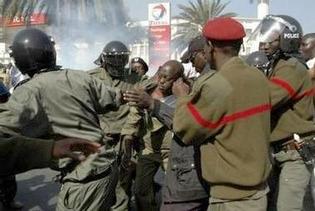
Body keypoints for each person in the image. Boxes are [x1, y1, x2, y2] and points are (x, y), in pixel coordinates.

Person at [0, 28, 124, 211]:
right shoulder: (80, 76)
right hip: (105, 167)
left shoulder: (29, 90)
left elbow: (4, 129)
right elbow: (113, 99)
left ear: (20, 59)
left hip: (84, 176)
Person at [172, 17, 271, 211]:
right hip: (258, 193)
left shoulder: (217, 85)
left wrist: (183, 97)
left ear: (210, 47)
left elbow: (185, 130)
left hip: (232, 200)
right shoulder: (257, 76)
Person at [257, 15, 315, 211]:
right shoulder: (277, 65)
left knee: (287, 207)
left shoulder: (290, 67)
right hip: (280, 151)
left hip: (295, 152)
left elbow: (266, 99)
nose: (264, 45)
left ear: (286, 39)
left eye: (271, 40)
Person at [89, 41, 144, 211]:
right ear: (105, 60)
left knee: (123, 179)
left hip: (124, 136)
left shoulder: (134, 77)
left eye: (122, 61)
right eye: (115, 61)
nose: (119, 65)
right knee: (98, 177)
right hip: (100, 136)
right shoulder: (91, 77)